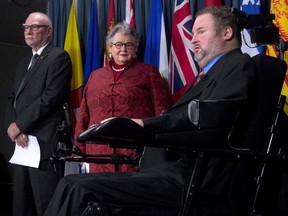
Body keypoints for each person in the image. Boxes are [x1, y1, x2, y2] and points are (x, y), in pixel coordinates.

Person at [44, 6, 258, 216]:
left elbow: (208, 120)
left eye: (201, 32)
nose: (192, 40)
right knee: (70, 184)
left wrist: (143, 125)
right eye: (192, 33)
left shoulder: (237, 65)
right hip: (163, 167)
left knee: (78, 188)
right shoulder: (207, 75)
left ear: (227, 33)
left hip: (192, 176)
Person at [74, 22, 172, 173]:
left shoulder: (148, 72)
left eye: (129, 45)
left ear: (135, 48)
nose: (123, 49)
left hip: (135, 154)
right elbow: (84, 116)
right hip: (98, 156)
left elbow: (162, 111)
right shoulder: (95, 76)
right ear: (110, 47)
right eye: (118, 44)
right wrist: (78, 151)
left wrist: (160, 149)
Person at [5, 12, 72, 216]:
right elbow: (12, 99)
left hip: (44, 144)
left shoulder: (58, 57)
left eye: (34, 27)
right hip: (22, 144)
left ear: (49, 31)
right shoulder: (24, 62)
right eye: (26, 27)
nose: (28, 31)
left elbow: (50, 98)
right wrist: (13, 128)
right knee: (21, 204)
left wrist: (21, 125)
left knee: (45, 205)